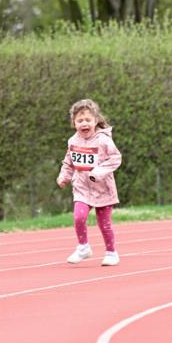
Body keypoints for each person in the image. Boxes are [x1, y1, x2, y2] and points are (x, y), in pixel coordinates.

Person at [56, 98, 122, 266]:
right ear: (74, 123)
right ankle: (83, 247)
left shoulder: (104, 140)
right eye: (80, 121)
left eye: (87, 120)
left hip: (103, 188)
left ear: (95, 120)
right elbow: (68, 162)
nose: (84, 124)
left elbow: (115, 158)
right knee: (79, 217)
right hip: (82, 188)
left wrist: (98, 172)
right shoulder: (73, 141)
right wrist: (64, 176)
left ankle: (111, 253)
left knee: (104, 223)